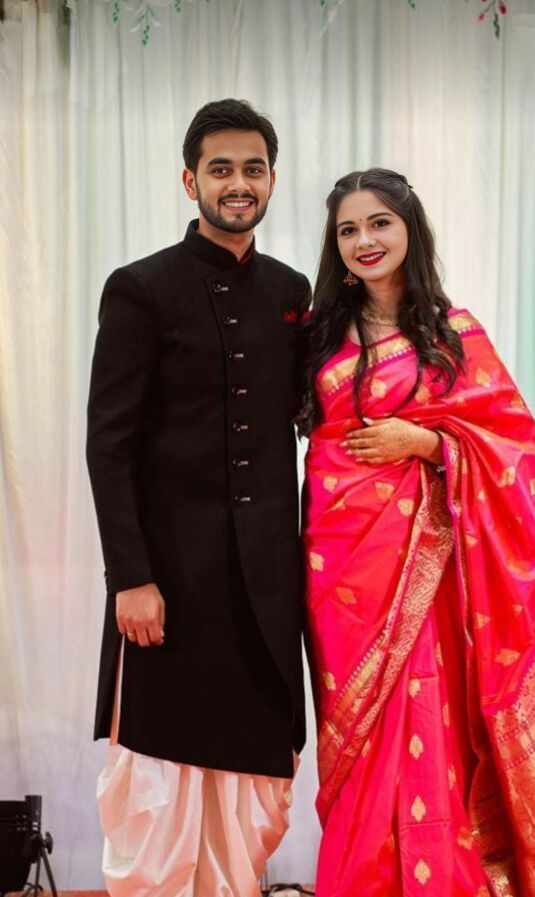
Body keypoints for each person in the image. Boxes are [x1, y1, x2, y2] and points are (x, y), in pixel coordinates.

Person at [298, 168, 535, 897]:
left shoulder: (456, 335)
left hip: (434, 564)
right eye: (348, 229)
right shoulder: (316, 334)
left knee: (431, 713)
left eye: (379, 222)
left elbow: (516, 447)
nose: (364, 240)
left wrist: (423, 443)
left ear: (409, 229)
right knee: (361, 737)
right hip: (343, 569)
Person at [86, 98, 310, 897]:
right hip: (169, 586)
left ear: (272, 179)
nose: (238, 183)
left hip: (263, 592)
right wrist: (130, 577)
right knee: (159, 791)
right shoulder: (140, 288)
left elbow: (318, 413)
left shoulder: (291, 290)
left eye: (253, 168)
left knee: (255, 796)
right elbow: (109, 444)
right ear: (191, 181)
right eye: (221, 169)